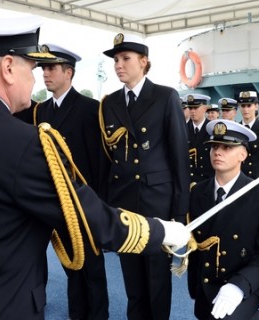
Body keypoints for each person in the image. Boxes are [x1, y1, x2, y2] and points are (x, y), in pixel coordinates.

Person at [0, 16, 191, 320]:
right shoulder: (22, 142)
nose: (36, 80)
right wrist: (164, 231)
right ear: (8, 68)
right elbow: (85, 217)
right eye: (32, 68)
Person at [99, 32, 190, 320]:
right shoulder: (110, 102)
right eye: (116, 60)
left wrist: (179, 213)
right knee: (132, 280)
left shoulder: (165, 96)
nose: (118, 65)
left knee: (156, 280)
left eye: (125, 58)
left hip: (157, 203)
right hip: (123, 203)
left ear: (144, 62)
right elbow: (108, 159)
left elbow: (179, 156)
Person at [33, 42, 111, 320]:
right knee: (71, 266)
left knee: (92, 268)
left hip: (85, 201)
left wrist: (99, 205)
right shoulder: (41, 111)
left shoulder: (91, 109)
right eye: (43, 68)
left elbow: (100, 162)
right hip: (57, 201)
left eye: (51, 68)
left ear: (69, 72)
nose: (45, 73)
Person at [187, 120, 259, 320]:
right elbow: (196, 246)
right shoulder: (198, 192)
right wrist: (194, 285)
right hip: (208, 279)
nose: (218, 152)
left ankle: (258, 315)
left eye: (227, 147)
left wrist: (239, 286)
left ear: (243, 155)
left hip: (246, 281)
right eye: (214, 147)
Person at [187, 93, 214, 185]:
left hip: (207, 181)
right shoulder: (183, 129)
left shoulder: (212, 129)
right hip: (187, 181)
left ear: (205, 108)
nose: (193, 111)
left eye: (196, 108)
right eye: (190, 108)